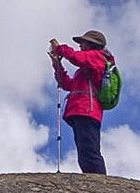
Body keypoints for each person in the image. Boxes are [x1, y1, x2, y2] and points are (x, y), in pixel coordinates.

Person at [48, 29, 112, 174]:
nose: (80, 46)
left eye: (82, 43)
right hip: (82, 110)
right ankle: (94, 181)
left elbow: (76, 58)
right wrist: (57, 65)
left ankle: (99, 184)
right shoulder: (87, 69)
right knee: (85, 150)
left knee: (89, 149)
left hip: (87, 110)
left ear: (91, 44)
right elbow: (68, 85)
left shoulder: (97, 57)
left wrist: (60, 48)